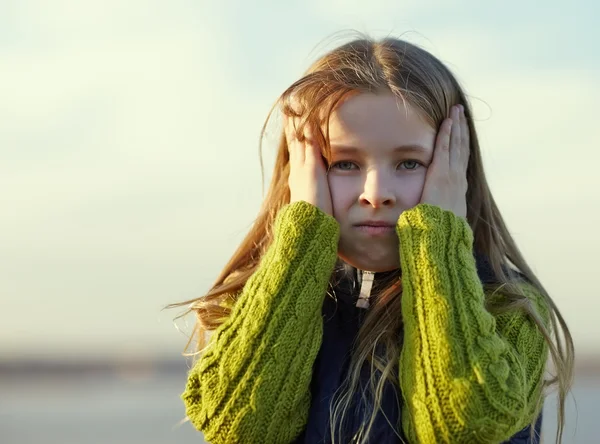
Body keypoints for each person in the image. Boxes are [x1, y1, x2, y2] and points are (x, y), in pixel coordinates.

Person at [171, 35, 574, 443]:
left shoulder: (506, 306)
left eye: (409, 163)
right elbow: (238, 422)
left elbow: (463, 426)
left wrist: (436, 241)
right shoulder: (257, 305)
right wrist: (304, 235)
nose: (376, 191)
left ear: (455, 170)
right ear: (301, 171)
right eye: (344, 162)